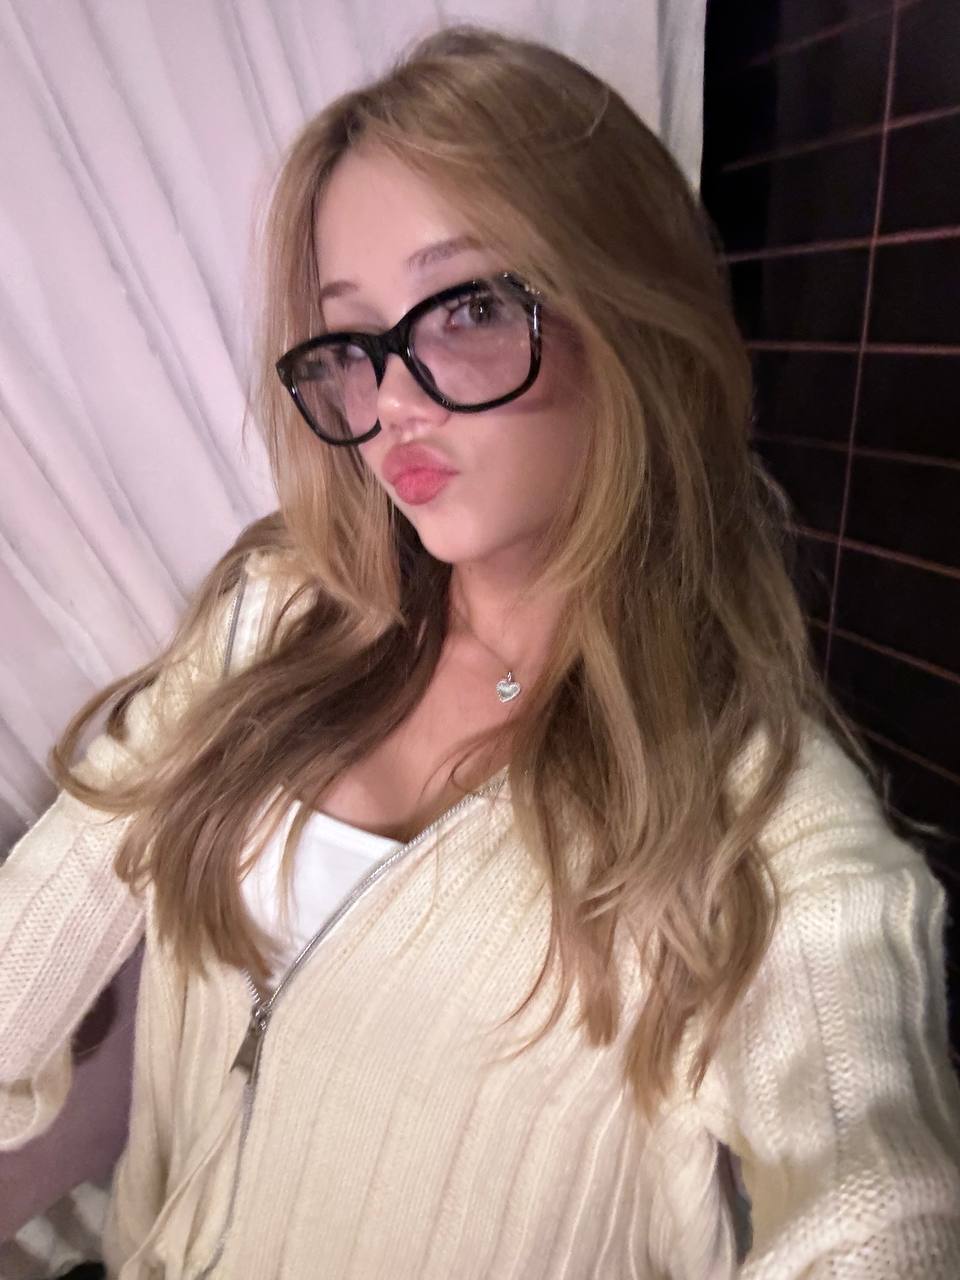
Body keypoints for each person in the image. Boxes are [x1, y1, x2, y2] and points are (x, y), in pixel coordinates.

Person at [2, 22, 960, 1280]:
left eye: (465, 308)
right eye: (353, 341)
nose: (393, 402)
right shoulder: (274, 618)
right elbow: (53, 896)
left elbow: (874, 1191)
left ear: (628, 314)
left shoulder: (751, 816)